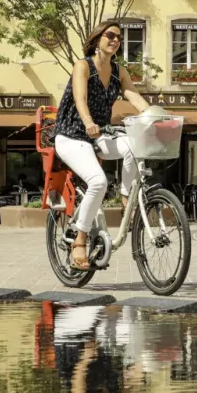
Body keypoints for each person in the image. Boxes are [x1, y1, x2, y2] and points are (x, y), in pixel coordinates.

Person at [54, 21, 150, 271]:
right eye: (110, 35)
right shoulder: (83, 65)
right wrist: (88, 122)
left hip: (98, 137)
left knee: (134, 145)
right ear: (97, 39)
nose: (115, 39)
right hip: (71, 135)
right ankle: (80, 240)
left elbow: (133, 95)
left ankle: (126, 197)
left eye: (119, 36)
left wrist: (155, 116)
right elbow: (80, 98)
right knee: (98, 182)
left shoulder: (119, 70)